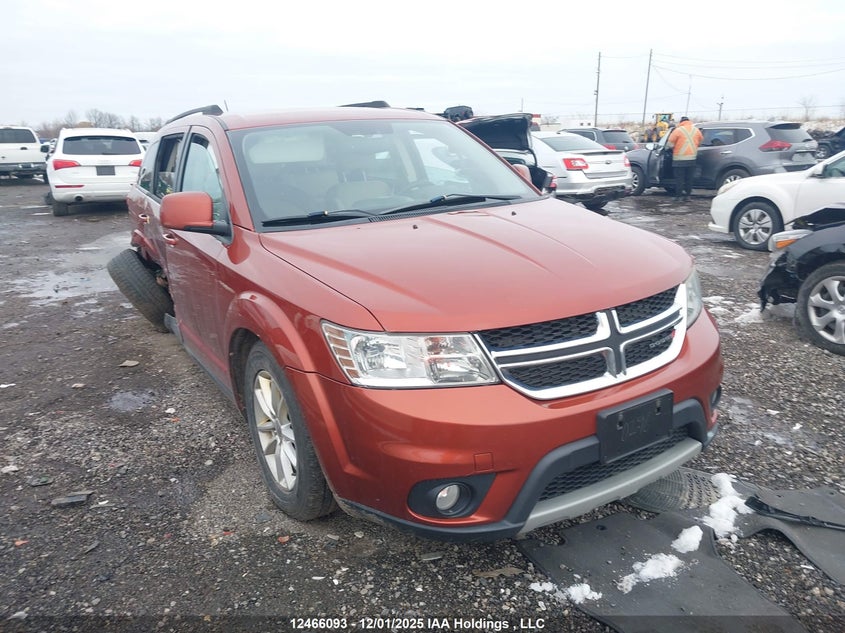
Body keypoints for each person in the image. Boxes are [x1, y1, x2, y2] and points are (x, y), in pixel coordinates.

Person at [666, 116, 703, 202]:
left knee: (679, 179)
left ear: (681, 122)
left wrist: (673, 148)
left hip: (679, 159)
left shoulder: (678, 130)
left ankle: (678, 197)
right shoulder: (696, 130)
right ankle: (688, 196)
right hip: (692, 158)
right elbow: (700, 141)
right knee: (689, 178)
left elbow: (669, 144)